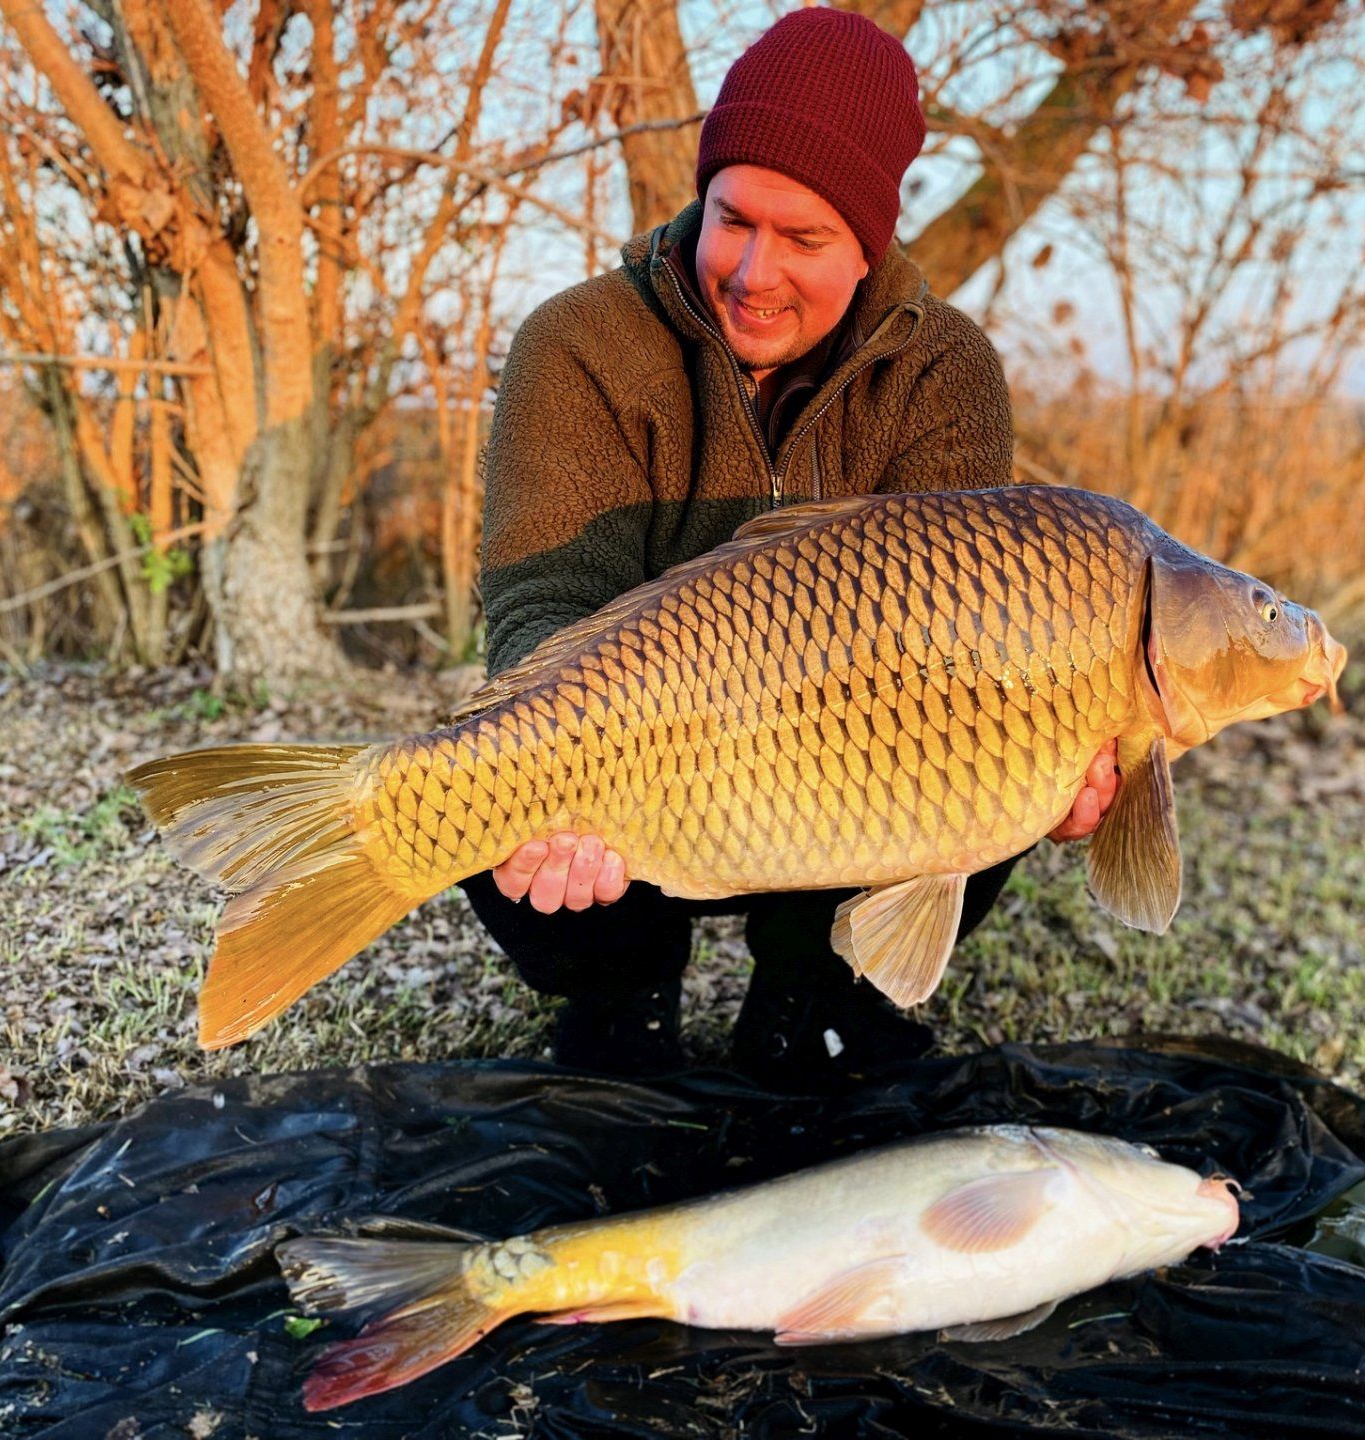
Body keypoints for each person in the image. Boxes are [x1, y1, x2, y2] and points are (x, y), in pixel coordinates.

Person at [461, 7, 1117, 1089]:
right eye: (733, 220)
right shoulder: (576, 343)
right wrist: (557, 767)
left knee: (1003, 747)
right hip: (646, 747)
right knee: (486, 773)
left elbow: (967, 640)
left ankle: (812, 1004)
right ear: (702, 198)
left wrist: (1058, 758)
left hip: (849, 753)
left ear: (868, 247)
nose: (753, 272)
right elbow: (544, 603)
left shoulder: (943, 371)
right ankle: (621, 1003)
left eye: (804, 239)